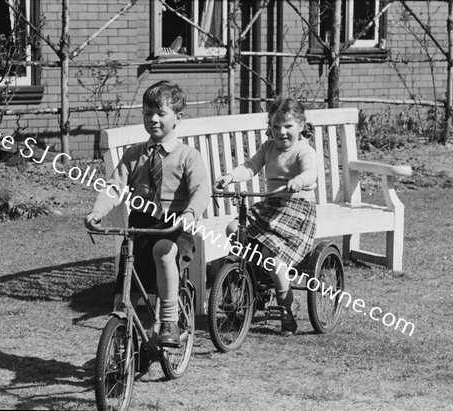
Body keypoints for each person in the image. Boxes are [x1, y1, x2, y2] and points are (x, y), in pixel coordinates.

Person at [84, 80, 210, 347]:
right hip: (141, 226)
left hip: (174, 227)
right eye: (147, 113)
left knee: (164, 251)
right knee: (126, 276)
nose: (153, 119)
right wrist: (97, 211)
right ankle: (120, 335)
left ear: (178, 118)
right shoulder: (134, 155)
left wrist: (190, 214)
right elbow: (114, 187)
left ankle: (168, 320)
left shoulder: (188, 156)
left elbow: (201, 190)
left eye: (161, 114)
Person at [214, 97, 317, 337]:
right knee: (233, 229)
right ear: (269, 126)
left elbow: (311, 172)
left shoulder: (304, 150)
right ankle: (253, 277)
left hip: (296, 208)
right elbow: (250, 167)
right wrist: (230, 177)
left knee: (272, 257)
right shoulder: (268, 147)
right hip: (271, 206)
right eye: (276, 126)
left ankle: (286, 310)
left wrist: (299, 180)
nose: (282, 132)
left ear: (301, 125)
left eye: (288, 126)